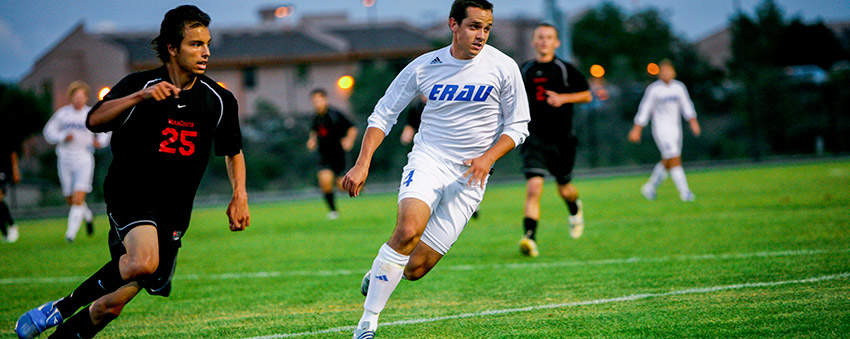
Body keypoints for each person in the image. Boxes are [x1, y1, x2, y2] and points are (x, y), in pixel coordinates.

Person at [15, 6, 250, 339]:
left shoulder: (219, 99)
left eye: (207, 43)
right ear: (172, 47)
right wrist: (139, 98)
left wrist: (239, 194)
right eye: (195, 44)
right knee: (142, 261)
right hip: (131, 194)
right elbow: (94, 120)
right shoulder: (141, 84)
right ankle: (59, 308)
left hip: (174, 212)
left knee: (109, 306)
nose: (206, 52)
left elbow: (233, 152)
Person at [342, 1, 529, 337]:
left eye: (486, 28)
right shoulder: (424, 67)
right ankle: (367, 323)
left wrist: (488, 158)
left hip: (471, 175)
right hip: (428, 160)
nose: (481, 35)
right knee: (407, 230)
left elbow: (518, 126)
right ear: (453, 24)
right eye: (473, 26)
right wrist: (362, 163)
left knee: (415, 269)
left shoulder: (504, 67)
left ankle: (378, 274)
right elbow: (383, 115)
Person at [517, 23, 592, 257]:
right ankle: (530, 238)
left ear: (556, 42)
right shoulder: (524, 70)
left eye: (549, 37)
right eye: (540, 37)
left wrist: (564, 98)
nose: (544, 41)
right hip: (534, 138)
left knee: (564, 189)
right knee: (534, 187)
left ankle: (574, 207)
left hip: (561, 139)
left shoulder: (564, 69)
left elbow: (588, 95)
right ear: (533, 42)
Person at [43, 81, 111, 242]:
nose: (78, 99)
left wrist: (99, 142)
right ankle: (88, 216)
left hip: (84, 158)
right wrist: (61, 137)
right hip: (65, 159)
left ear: (86, 97)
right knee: (70, 199)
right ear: (71, 97)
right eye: (75, 96)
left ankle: (70, 234)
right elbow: (49, 131)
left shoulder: (90, 113)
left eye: (81, 96)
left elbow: (104, 131)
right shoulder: (63, 114)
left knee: (78, 198)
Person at [628, 59, 701, 201]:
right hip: (661, 129)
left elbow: (687, 106)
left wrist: (693, 122)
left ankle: (649, 187)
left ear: (673, 72)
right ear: (659, 74)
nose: (666, 73)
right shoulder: (654, 89)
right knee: (674, 158)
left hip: (676, 129)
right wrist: (637, 129)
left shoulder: (679, 87)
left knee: (669, 160)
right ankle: (685, 192)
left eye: (669, 70)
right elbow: (645, 109)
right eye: (664, 71)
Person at [306, 88, 358, 220]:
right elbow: (314, 133)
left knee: (342, 186)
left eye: (319, 100)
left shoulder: (335, 115)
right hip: (324, 156)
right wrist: (312, 141)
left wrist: (349, 140)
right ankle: (333, 211)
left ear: (325, 100)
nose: (317, 103)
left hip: (339, 155)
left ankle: (359, 186)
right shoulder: (315, 118)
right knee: (325, 181)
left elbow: (352, 127)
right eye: (314, 101)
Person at [0, 136, 21, 243]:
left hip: (2, 171)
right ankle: (4, 231)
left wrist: (15, 171)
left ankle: (12, 225)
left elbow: (12, 153)